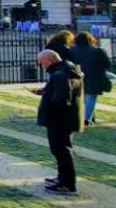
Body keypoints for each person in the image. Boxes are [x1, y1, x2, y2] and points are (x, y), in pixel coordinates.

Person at [34, 49, 84, 195]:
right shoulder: (67, 69)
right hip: (66, 119)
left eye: (42, 63)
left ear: (50, 60)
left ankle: (67, 184)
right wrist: (46, 91)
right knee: (61, 150)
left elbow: (61, 99)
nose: (42, 66)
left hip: (59, 120)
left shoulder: (60, 74)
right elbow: (62, 91)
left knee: (60, 150)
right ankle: (62, 178)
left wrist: (51, 114)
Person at [69, 31, 114, 126]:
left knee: (85, 99)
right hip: (94, 77)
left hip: (78, 76)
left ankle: (90, 117)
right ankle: (86, 119)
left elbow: (69, 64)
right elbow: (107, 64)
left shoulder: (72, 51)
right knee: (90, 98)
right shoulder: (98, 51)